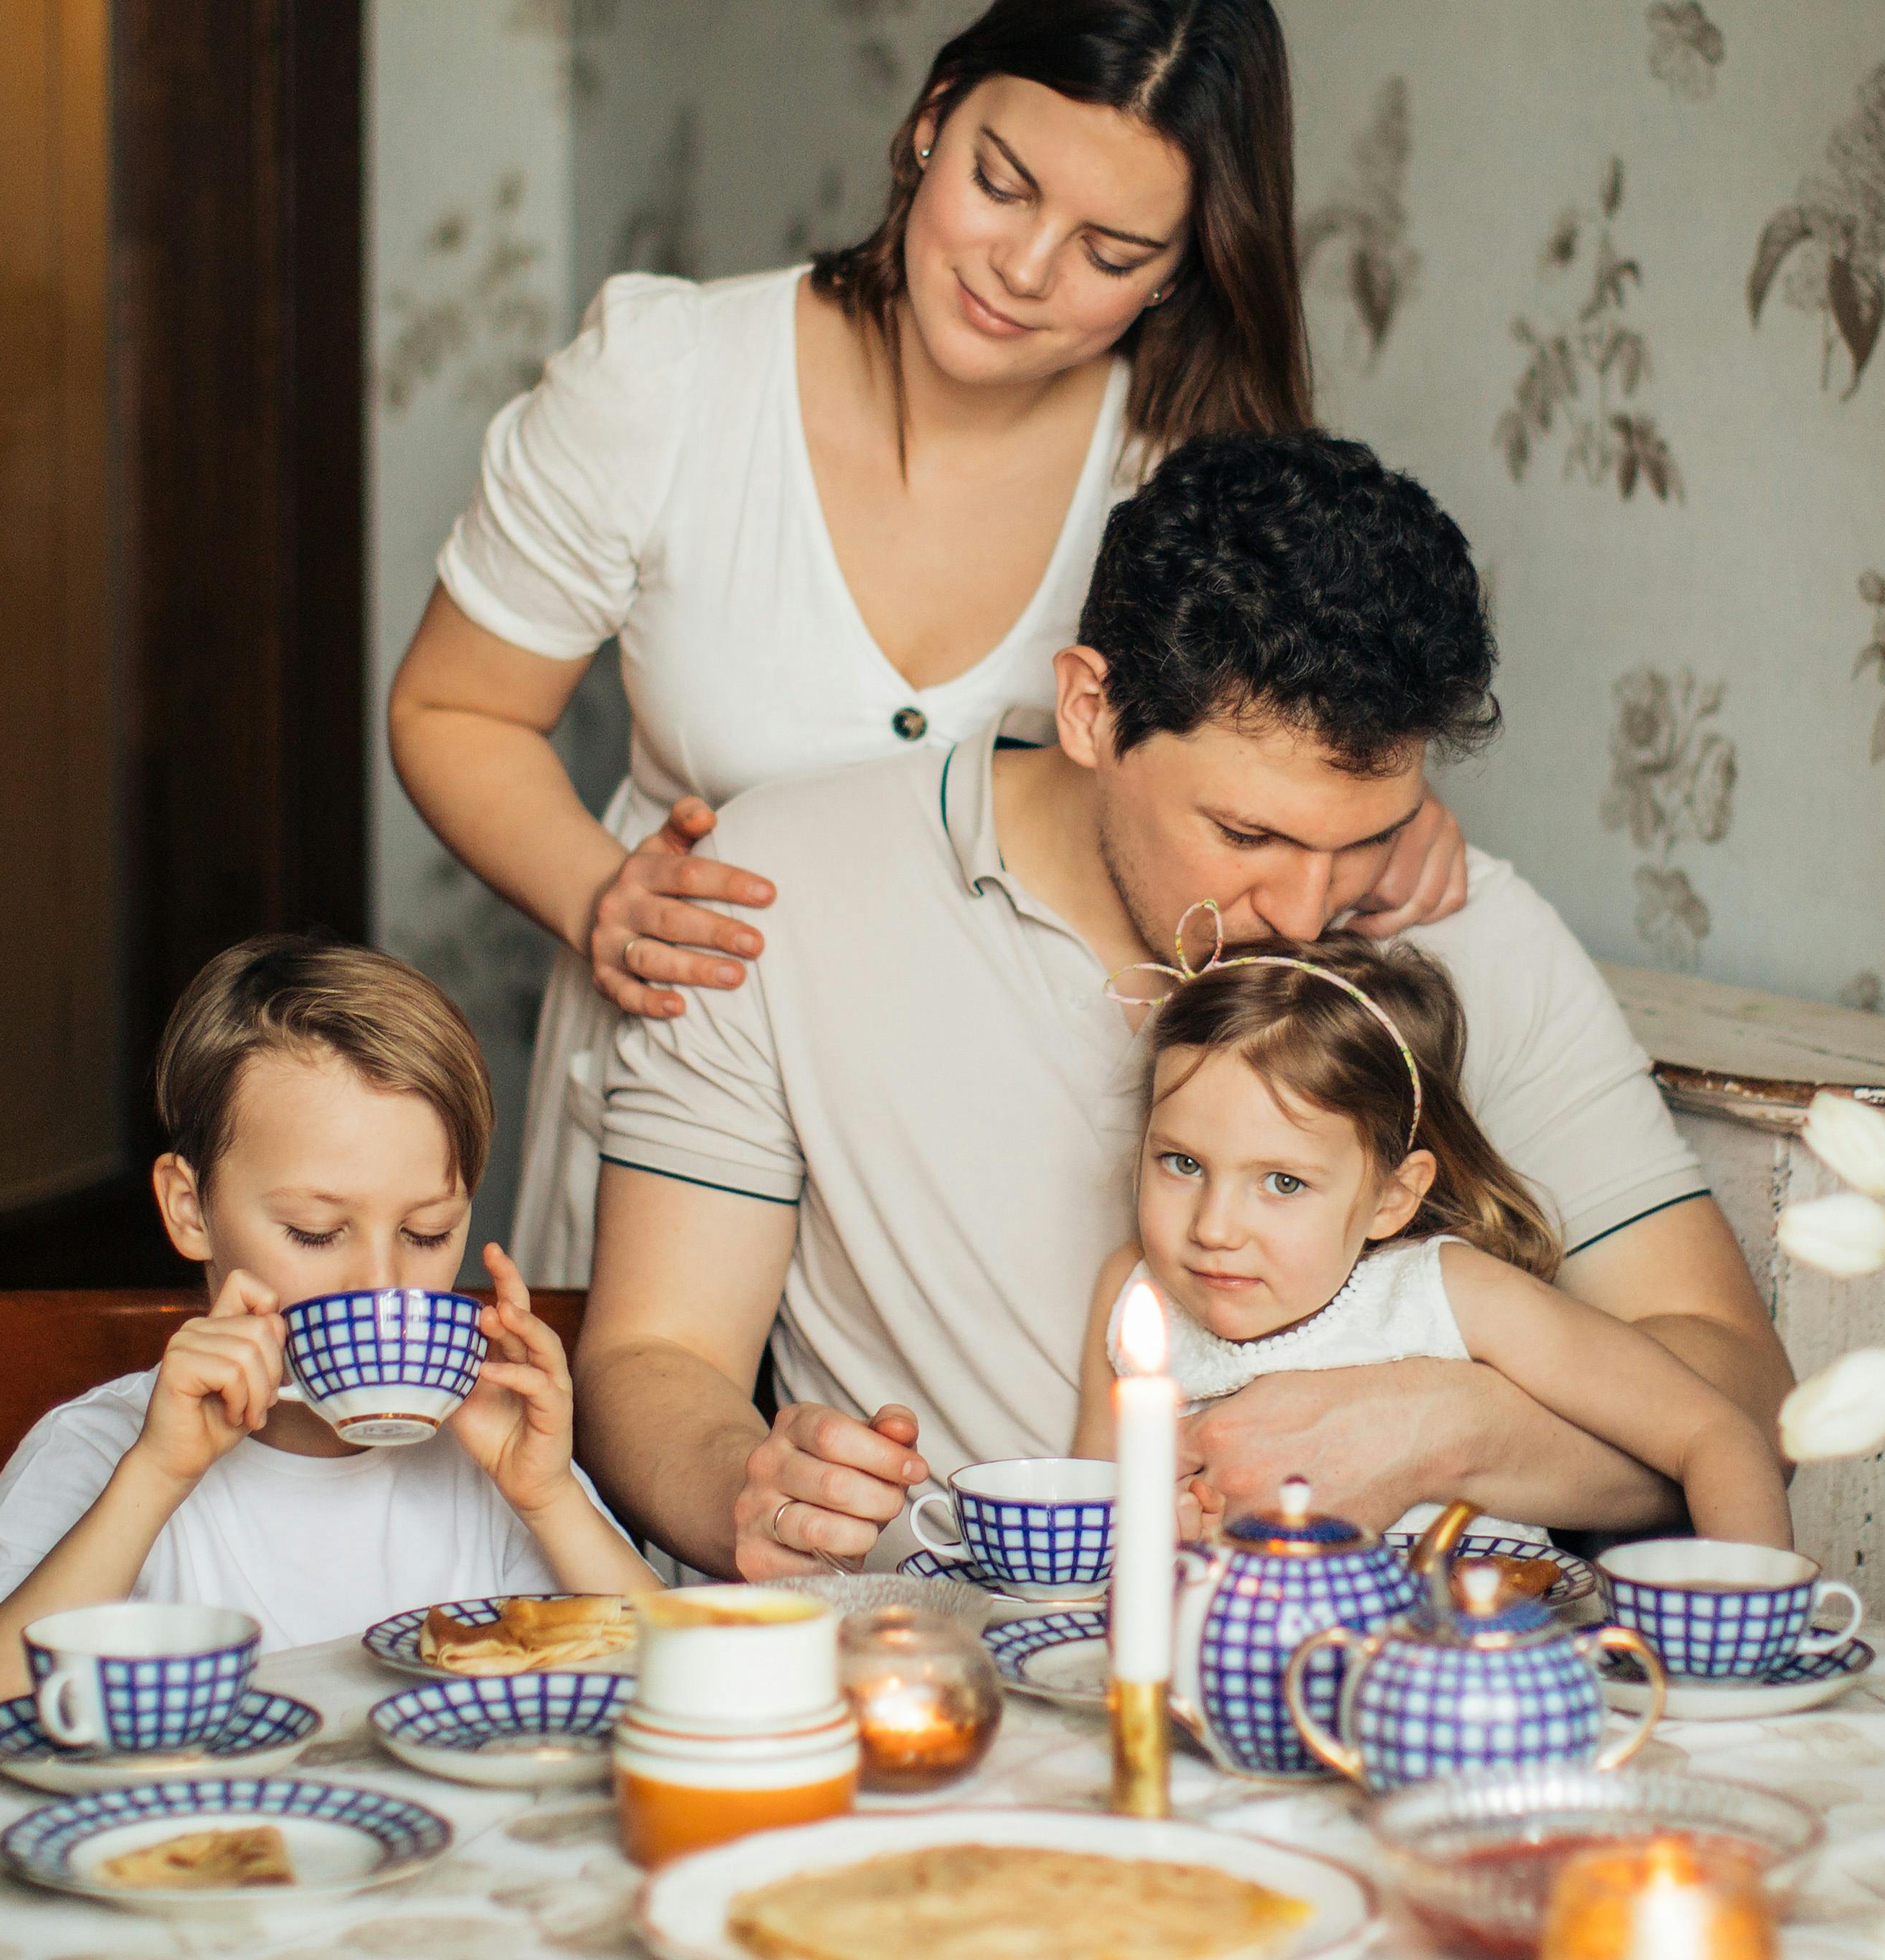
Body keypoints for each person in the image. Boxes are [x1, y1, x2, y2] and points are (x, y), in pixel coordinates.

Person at [385, 0, 1464, 1292]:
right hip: (686, 1112)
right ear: (931, 118)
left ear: (1180, 270)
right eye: (999, 184)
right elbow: (451, 705)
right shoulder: (667, 383)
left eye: (1110, 249)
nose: (1022, 268)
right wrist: (600, 896)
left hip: (1001, 1176)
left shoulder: (1187, 476)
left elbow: (1281, 755)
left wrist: (1374, 818)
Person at [572, 432, 1795, 1580]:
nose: (1310, 914)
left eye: (1365, 838)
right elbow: (653, 1356)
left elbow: (1734, 1393)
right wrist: (747, 1480)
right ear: (1091, 709)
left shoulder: (1469, 927)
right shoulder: (776, 884)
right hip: (958, 1666)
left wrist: (1448, 1429)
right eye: (1247, 833)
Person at [0, 938, 648, 1760]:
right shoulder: (101, 1450)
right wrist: (157, 1475)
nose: (382, 1285)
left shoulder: (500, 1471)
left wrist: (553, 1500)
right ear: (191, 1210)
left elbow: (697, 1695)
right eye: (316, 1230)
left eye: (426, 1231)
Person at [1071, 936, 1793, 1549]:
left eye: (1283, 1183)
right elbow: (1091, 1534)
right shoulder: (1134, 1297)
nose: (1213, 1228)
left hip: (1474, 1683)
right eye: (1182, 1163)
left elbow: (1714, 1433)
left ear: (1393, 1196)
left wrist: (1742, 1637)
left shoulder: (1450, 1297)